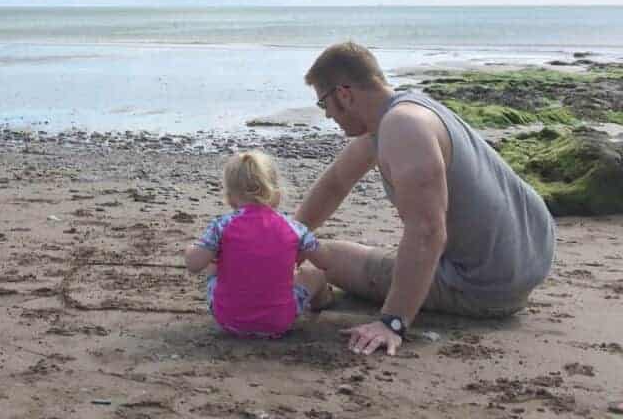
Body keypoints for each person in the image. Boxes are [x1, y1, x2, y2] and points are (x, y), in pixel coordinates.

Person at [295, 42, 556, 356]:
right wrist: (285, 237)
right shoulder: (403, 112)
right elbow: (336, 183)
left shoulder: (403, 128)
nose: (327, 116)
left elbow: (428, 232)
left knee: (319, 258)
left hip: (485, 284)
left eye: (324, 105)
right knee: (304, 244)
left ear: (344, 95)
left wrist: (392, 322)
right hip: (530, 254)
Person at [184, 150, 332, 337]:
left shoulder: (221, 226)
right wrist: (305, 248)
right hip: (279, 321)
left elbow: (194, 264)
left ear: (230, 198)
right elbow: (326, 262)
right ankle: (322, 302)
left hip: (228, 319)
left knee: (214, 264)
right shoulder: (294, 228)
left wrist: (192, 249)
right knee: (314, 274)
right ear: (276, 195)